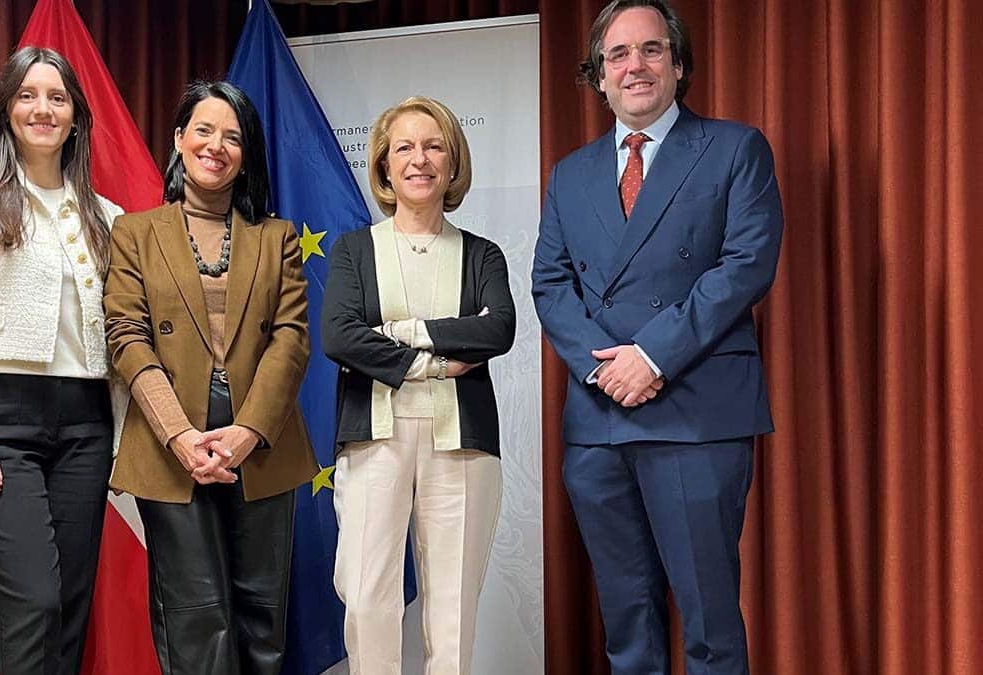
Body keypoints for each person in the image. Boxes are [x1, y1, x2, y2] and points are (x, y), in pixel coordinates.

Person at [532, 1, 784, 673]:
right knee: (627, 627)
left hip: (695, 412)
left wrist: (653, 355)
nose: (634, 66)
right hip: (599, 420)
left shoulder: (735, 148)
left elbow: (745, 266)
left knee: (709, 624)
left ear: (678, 64)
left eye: (649, 50)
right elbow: (551, 287)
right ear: (598, 76)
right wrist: (604, 369)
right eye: (618, 55)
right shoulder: (571, 173)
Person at [0, 46, 125, 674]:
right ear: (6, 110)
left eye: (57, 97)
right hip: (0, 422)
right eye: (28, 95)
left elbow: (122, 336)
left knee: (67, 605)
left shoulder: (106, 217)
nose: (43, 109)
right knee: (31, 602)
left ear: (75, 116)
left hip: (88, 427)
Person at [103, 80, 318, 675]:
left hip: (262, 445)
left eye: (232, 136)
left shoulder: (277, 238)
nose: (216, 146)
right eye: (203, 130)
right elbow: (126, 336)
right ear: (178, 138)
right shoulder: (134, 233)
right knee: (197, 617)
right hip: (170, 447)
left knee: (260, 615)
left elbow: (292, 338)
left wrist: (247, 430)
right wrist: (179, 435)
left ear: (246, 153)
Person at [322, 96, 516, 675]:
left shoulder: (482, 254)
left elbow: (497, 330)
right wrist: (434, 360)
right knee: (365, 597)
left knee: (453, 610)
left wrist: (401, 333)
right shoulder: (355, 250)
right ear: (383, 165)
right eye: (404, 147)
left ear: (453, 163)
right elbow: (339, 336)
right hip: (373, 437)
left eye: (434, 146)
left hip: (462, 445)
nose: (420, 159)